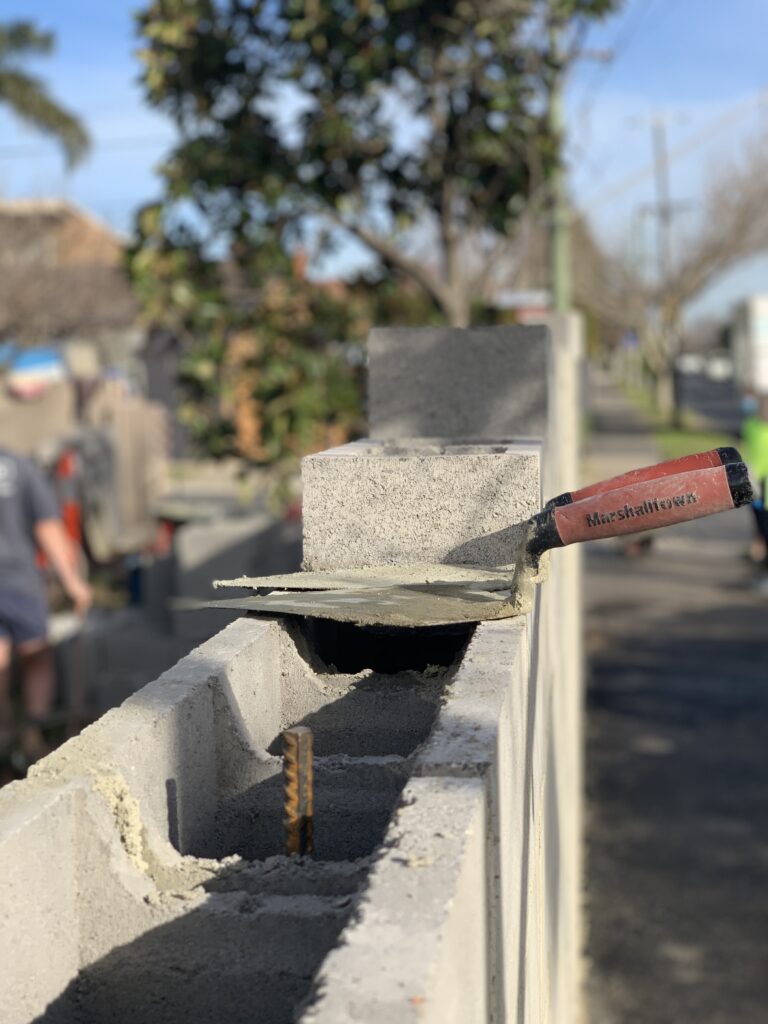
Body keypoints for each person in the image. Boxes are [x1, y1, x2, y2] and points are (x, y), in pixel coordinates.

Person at [0, 448, 92, 764]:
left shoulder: (20, 467)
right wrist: (72, 581)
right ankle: (31, 736)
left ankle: (6, 735)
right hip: (17, 580)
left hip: (16, 579)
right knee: (36, 655)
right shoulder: (18, 466)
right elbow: (48, 527)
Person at [741, 394, 768, 572]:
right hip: (753, 480)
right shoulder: (750, 425)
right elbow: (745, 448)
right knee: (758, 519)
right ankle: (759, 550)